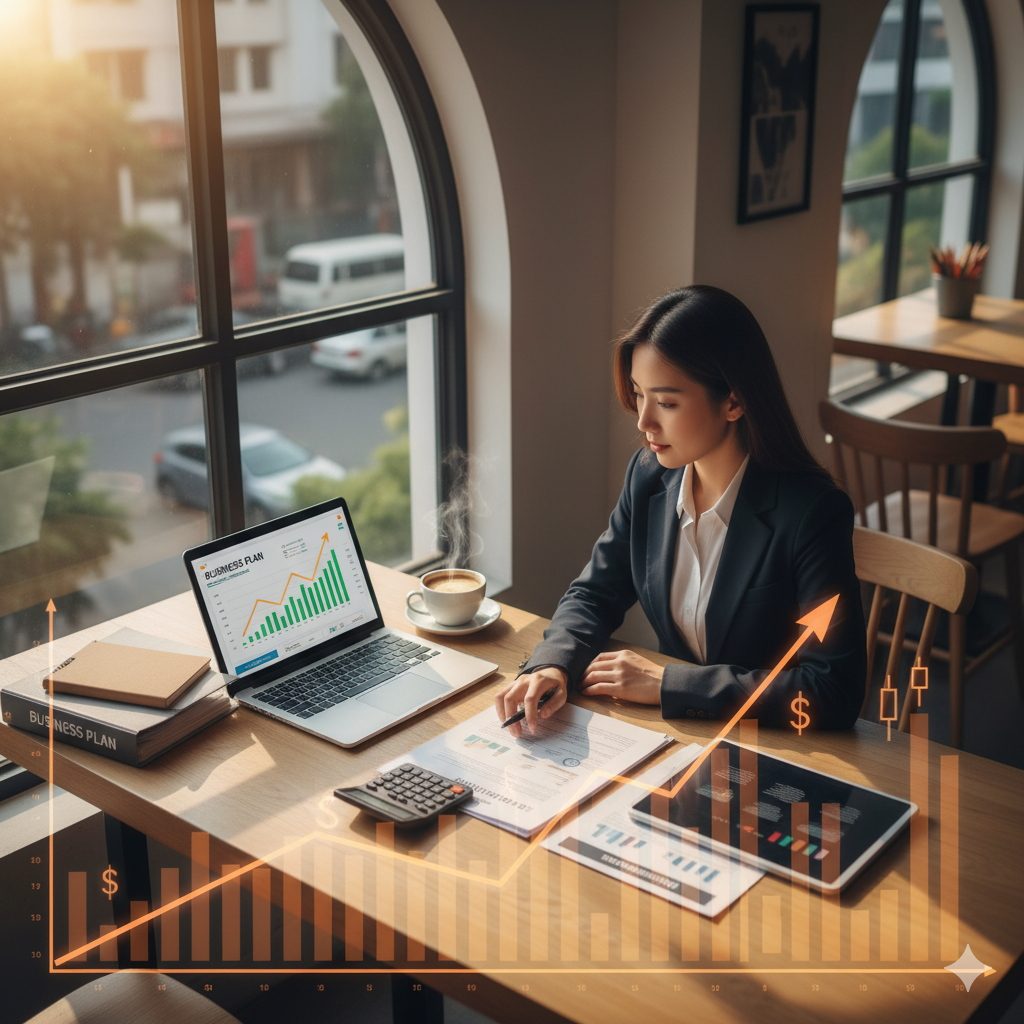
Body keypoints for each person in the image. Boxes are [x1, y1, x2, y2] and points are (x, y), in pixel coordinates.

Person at [495, 285, 866, 739]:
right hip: (678, 736)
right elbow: (596, 593)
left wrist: (668, 683)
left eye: (667, 403)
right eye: (639, 394)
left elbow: (830, 690)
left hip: (773, 746)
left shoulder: (811, 514)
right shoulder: (650, 476)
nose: (644, 422)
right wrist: (553, 665)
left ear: (733, 401)